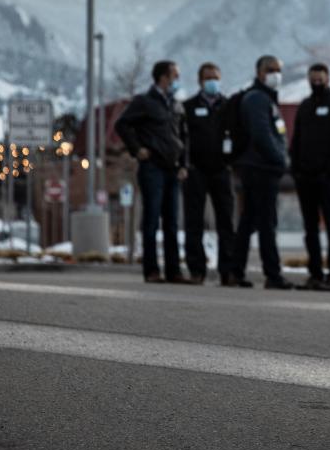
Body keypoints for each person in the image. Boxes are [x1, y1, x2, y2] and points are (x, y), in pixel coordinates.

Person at [114, 60, 189, 284]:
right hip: (152, 168)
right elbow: (122, 125)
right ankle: (152, 270)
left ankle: (174, 271)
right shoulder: (144, 102)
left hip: (173, 169)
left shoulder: (176, 105)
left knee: (172, 223)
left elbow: (184, 137)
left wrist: (184, 164)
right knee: (151, 220)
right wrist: (137, 149)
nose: (177, 80)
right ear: (163, 77)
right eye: (175, 75)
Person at [229, 56, 294, 290]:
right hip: (260, 168)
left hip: (261, 167)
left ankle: (235, 271)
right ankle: (272, 274)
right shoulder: (257, 99)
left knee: (250, 221)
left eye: (278, 70)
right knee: (266, 222)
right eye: (270, 70)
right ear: (259, 72)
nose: (275, 74)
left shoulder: (266, 98)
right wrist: (281, 160)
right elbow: (262, 134)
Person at [289, 63, 330, 291]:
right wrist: (295, 170)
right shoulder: (304, 107)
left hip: (327, 178)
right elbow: (296, 140)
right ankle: (315, 274)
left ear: (327, 79)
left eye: (320, 79)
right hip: (304, 178)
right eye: (313, 79)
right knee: (311, 229)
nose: (316, 82)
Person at [182, 62, 237, 286]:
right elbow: (182, 138)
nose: (212, 81)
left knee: (226, 221)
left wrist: (231, 161)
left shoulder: (229, 106)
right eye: (207, 78)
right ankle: (197, 270)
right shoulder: (188, 107)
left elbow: (238, 135)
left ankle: (228, 271)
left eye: (215, 77)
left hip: (222, 170)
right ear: (200, 81)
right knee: (194, 222)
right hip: (196, 171)